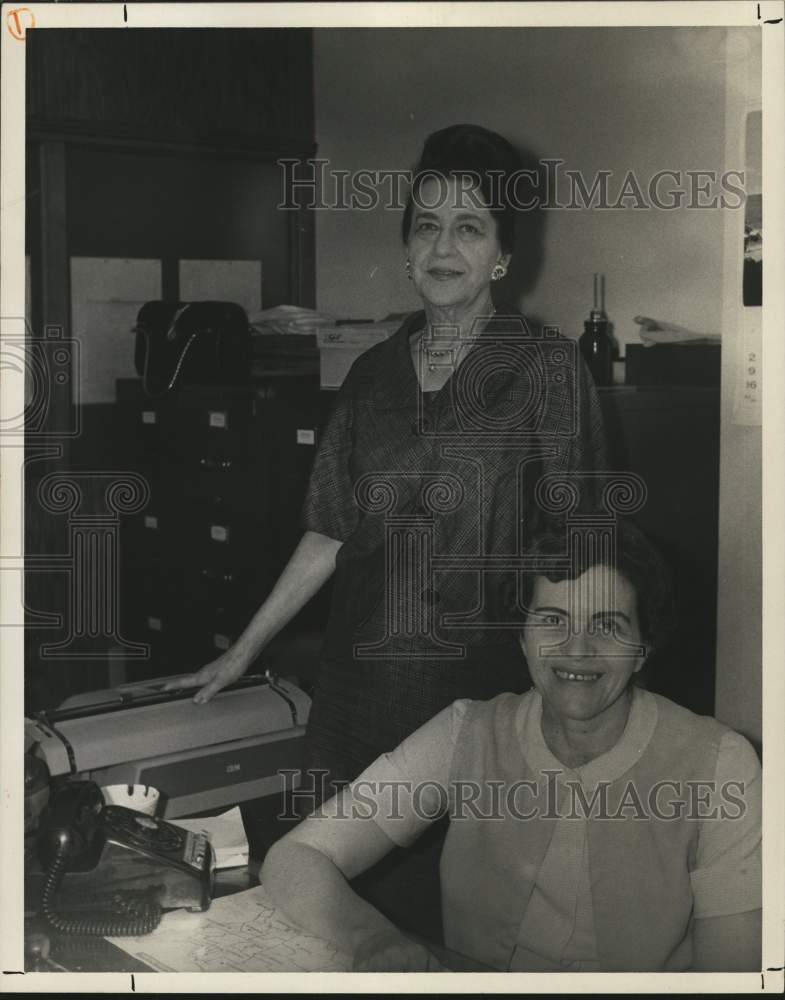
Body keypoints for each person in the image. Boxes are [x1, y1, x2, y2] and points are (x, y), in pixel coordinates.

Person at [166, 124, 608, 934]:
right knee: (322, 896)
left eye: (469, 228)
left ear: (502, 258)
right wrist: (244, 649)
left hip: (481, 692)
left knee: (470, 917)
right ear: (405, 248)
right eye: (426, 226)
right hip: (356, 687)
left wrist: (569, 692)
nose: (444, 247)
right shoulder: (369, 376)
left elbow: (578, 543)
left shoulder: (548, 371)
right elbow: (328, 532)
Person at [260, 521, 762, 972]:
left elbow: (731, 978)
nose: (576, 649)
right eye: (551, 620)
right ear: (521, 638)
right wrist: (372, 938)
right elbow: (296, 858)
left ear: (643, 649)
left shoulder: (720, 763)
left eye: (608, 625)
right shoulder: (464, 733)